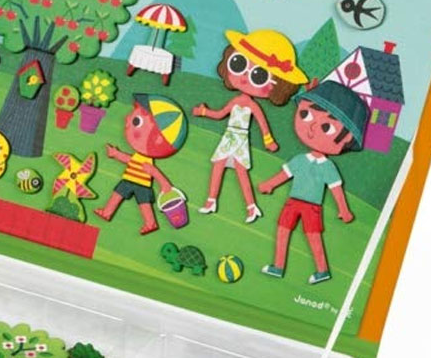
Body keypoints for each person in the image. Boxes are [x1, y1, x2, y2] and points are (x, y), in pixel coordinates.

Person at [258, 80, 368, 284]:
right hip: (292, 202)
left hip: (312, 207)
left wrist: (344, 210)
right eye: (306, 115)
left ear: (347, 140)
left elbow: (336, 189)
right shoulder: (300, 160)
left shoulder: (328, 167)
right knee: (282, 231)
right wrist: (270, 184)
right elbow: (285, 174)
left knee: (313, 236)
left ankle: (322, 270)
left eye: (327, 127)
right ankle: (278, 266)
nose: (312, 129)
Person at [192, 29, 307, 222]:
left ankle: (252, 207)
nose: (245, 77)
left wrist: (268, 140)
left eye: (259, 76)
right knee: (218, 165)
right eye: (238, 64)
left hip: (240, 138)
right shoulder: (236, 101)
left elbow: (262, 124)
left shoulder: (252, 105)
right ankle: (211, 201)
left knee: (241, 171)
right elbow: (220, 114)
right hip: (229, 136)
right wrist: (203, 112)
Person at [94, 94, 188, 234]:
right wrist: (116, 154)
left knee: (144, 204)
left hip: (141, 184)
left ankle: (150, 223)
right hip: (129, 180)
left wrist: (165, 184)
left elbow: (154, 171)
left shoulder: (147, 159)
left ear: (155, 137)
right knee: (118, 194)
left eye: (136, 121)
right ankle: (107, 212)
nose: (127, 119)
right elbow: (130, 160)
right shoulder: (140, 157)